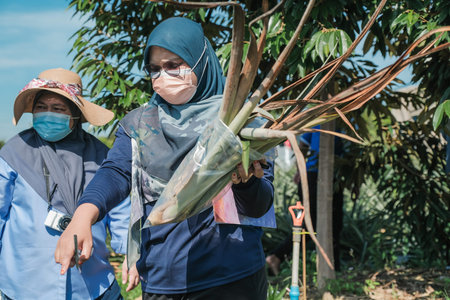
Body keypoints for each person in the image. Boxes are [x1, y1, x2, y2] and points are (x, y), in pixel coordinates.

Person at [54, 17, 275, 299]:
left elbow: (259, 205)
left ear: (201, 62)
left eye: (173, 65)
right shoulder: (139, 125)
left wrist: (245, 184)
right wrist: (82, 216)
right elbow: (116, 172)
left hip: (231, 277)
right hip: (162, 279)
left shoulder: (240, 120)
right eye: (154, 69)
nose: (163, 76)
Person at [0, 68, 137, 300]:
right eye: (41, 107)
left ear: (75, 115)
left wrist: (130, 256)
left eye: (58, 108)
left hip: (92, 282)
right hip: (24, 282)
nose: (48, 114)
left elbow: (120, 210)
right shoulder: (14, 153)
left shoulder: (102, 155)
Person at [265, 129, 343, 275]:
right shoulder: (324, 121)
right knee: (310, 223)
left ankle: (334, 269)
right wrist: (301, 170)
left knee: (335, 223)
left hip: (334, 176)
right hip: (313, 175)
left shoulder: (344, 123)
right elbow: (302, 145)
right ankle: (276, 256)